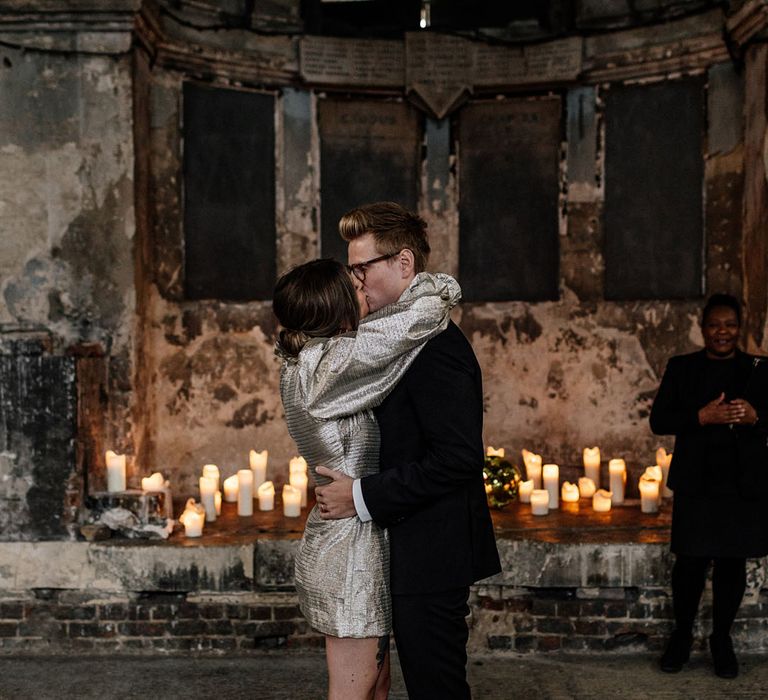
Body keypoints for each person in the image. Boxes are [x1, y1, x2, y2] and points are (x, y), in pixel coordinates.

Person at [315, 202, 501, 699]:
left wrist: (359, 495)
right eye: (350, 270)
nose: (355, 283)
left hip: (432, 550)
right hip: (399, 545)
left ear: (403, 264)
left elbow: (458, 459)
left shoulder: (436, 344)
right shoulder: (396, 337)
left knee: (435, 687)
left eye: (362, 269)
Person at [273, 258, 461, 700]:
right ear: (336, 308)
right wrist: (435, 285)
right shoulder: (330, 364)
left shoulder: (306, 362)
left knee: (375, 688)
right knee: (353, 694)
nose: (366, 292)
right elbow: (421, 318)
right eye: (356, 287)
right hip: (348, 555)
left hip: (348, 538)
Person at [650, 293, 768, 679]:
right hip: (697, 483)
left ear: (740, 328)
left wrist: (757, 416)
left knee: (732, 565)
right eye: (715, 325)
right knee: (690, 564)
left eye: (730, 325)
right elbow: (659, 420)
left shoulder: (759, 369)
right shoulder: (682, 367)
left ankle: (721, 639)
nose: (723, 332)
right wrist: (700, 416)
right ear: (703, 329)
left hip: (742, 484)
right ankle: (682, 636)